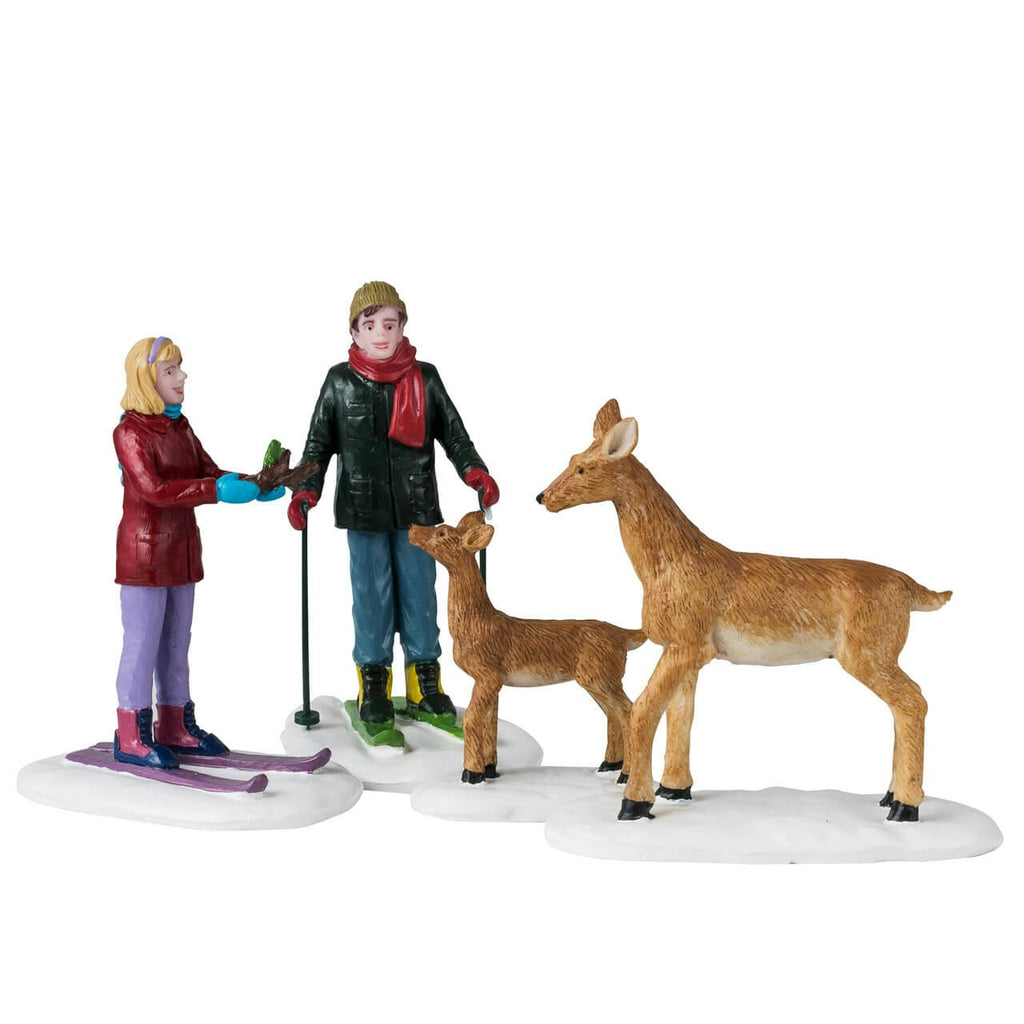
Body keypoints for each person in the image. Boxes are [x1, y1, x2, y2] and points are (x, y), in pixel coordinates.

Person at [289, 282, 499, 726]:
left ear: (403, 326)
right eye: (370, 326)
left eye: (389, 324)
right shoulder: (339, 382)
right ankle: (374, 680)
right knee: (371, 596)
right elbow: (318, 445)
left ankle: (425, 679)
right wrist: (307, 489)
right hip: (362, 510)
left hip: (417, 509)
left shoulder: (425, 378)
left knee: (420, 593)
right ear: (354, 332)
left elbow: (454, 435)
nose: (381, 334)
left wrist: (474, 472)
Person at [112, 336, 283, 767]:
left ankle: (175, 726)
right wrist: (217, 490)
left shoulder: (180, 427)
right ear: (147, 379)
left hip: (182, 553)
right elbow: (154, 490)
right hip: (144, 558)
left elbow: (208, 472)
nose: (182, 377)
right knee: (142, 644)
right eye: (170, 370)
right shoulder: (129, 433)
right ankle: (131, 734)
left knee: (176, 644)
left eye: (179, 368)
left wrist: (254, 484)